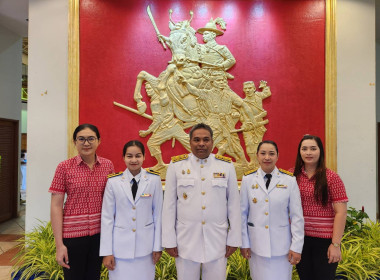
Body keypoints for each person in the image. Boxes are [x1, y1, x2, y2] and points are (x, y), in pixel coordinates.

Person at [162, 123, 241, 280]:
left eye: (206, 139)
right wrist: (169, 240)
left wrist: (234, 239)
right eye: (196, 140)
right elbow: (169, 206)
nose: (201, 144)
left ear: (212, 142)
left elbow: (234, 205)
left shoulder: (226, 166)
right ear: (190, 142)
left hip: (217, 240)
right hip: (185, 241)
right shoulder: (177, 165)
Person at [49, 124, 115, 280]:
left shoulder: (108, 166)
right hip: (72, 237)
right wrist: (60, 245)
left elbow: (112, 203)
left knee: (94, 277)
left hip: (99, 236)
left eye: (91, 139)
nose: (86, 143)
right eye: (82, 139)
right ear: (74, 142)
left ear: (99, 141)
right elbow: (56, 206)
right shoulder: (64, 167)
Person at [240, 140, 304, 280]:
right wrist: (244, 243)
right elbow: (242, 215)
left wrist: (296, 246)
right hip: (256, 247)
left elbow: (297, 217)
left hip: (282, 248)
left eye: (271, 154)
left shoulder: (289, 180)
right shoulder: (248, 180)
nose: (267, 157)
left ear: (277, 156)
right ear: (257, 155)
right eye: (263, 153)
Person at [100, 140, 163, 280]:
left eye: (138, 156)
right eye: (129, 156)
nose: (134, 160)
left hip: (146, 249)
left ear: (144, 157)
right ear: (123, 158)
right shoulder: (113, 182)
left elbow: (158, 215)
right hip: (119, 250)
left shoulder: (154, 180)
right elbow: (107, 218)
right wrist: (107, 251)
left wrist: (157, 246)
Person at [293, 135, 348, 280]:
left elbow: (341, 213)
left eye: (313, 148)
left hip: (325, 242)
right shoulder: (292, 176)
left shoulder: (332, 177)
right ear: (299, 152)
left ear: (320, 151)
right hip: (301, 240)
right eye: (304, 149)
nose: (308, 153)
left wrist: (335, 244)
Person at [241, 81, 271, 167]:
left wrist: (264, 86)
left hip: (259, 126)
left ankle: (258, 163)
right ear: (243, 90)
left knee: (258, 144)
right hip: (248, 126)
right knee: (249, 143)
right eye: (246, 88)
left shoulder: (258, 96)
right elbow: (242, 116)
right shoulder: (243, 102)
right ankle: (252, 161)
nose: (248, 90)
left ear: (254, 89)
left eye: (250, 88)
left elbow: (267, 93)